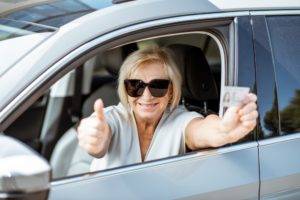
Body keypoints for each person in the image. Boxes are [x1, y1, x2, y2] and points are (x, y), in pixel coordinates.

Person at [77, 47, 258, 171]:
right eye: (135, 85)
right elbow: (99, 140)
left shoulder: (179, 119)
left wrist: (224, 130)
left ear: (171, 91)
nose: (147, 96)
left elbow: (201, 130)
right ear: (125, 89)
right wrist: (95, 140)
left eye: (158, 86)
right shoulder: (112, 117)